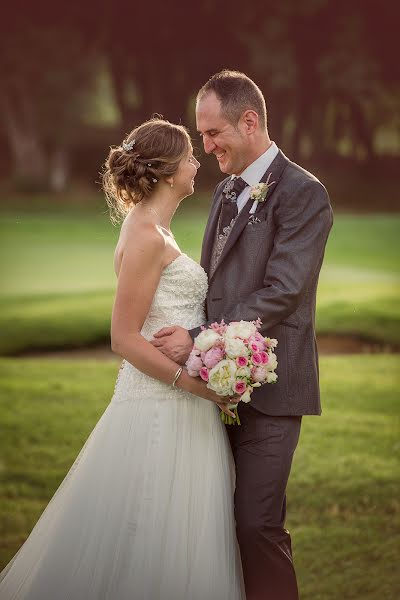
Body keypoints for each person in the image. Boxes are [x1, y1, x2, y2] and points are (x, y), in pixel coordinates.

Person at [0, 118, 245, 600]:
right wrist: (197, 385)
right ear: (170, 171)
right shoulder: (146, 235)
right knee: (150, 531)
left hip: (182, 403)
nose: (198, 163)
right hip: (162, 406)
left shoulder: (156, 229)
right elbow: (124, 338)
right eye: (191, 157)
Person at [153, 71, 334, 600]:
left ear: (249, 121)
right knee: (210, 528)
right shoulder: (226, 189)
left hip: (274, 392)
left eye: (213, 134)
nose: (205, 147)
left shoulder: (304, 193)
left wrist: (198, 337)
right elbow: (215, 284)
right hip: (214, 389)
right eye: (202, 136)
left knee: (257, 526)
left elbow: (283, 291)